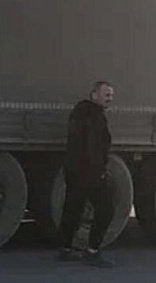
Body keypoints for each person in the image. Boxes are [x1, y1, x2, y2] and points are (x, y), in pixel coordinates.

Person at [56, 81, 115, 268]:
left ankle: (64, 248)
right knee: (106, 210)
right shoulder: (94, 116)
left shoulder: (79, 112)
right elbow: (93, 148)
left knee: (73, 209)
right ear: (94, 95)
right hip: (89, 173)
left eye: (111, 95)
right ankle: (92, 251)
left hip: (74, 171)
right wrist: (99, 171)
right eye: (106, 94)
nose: (109, 98)